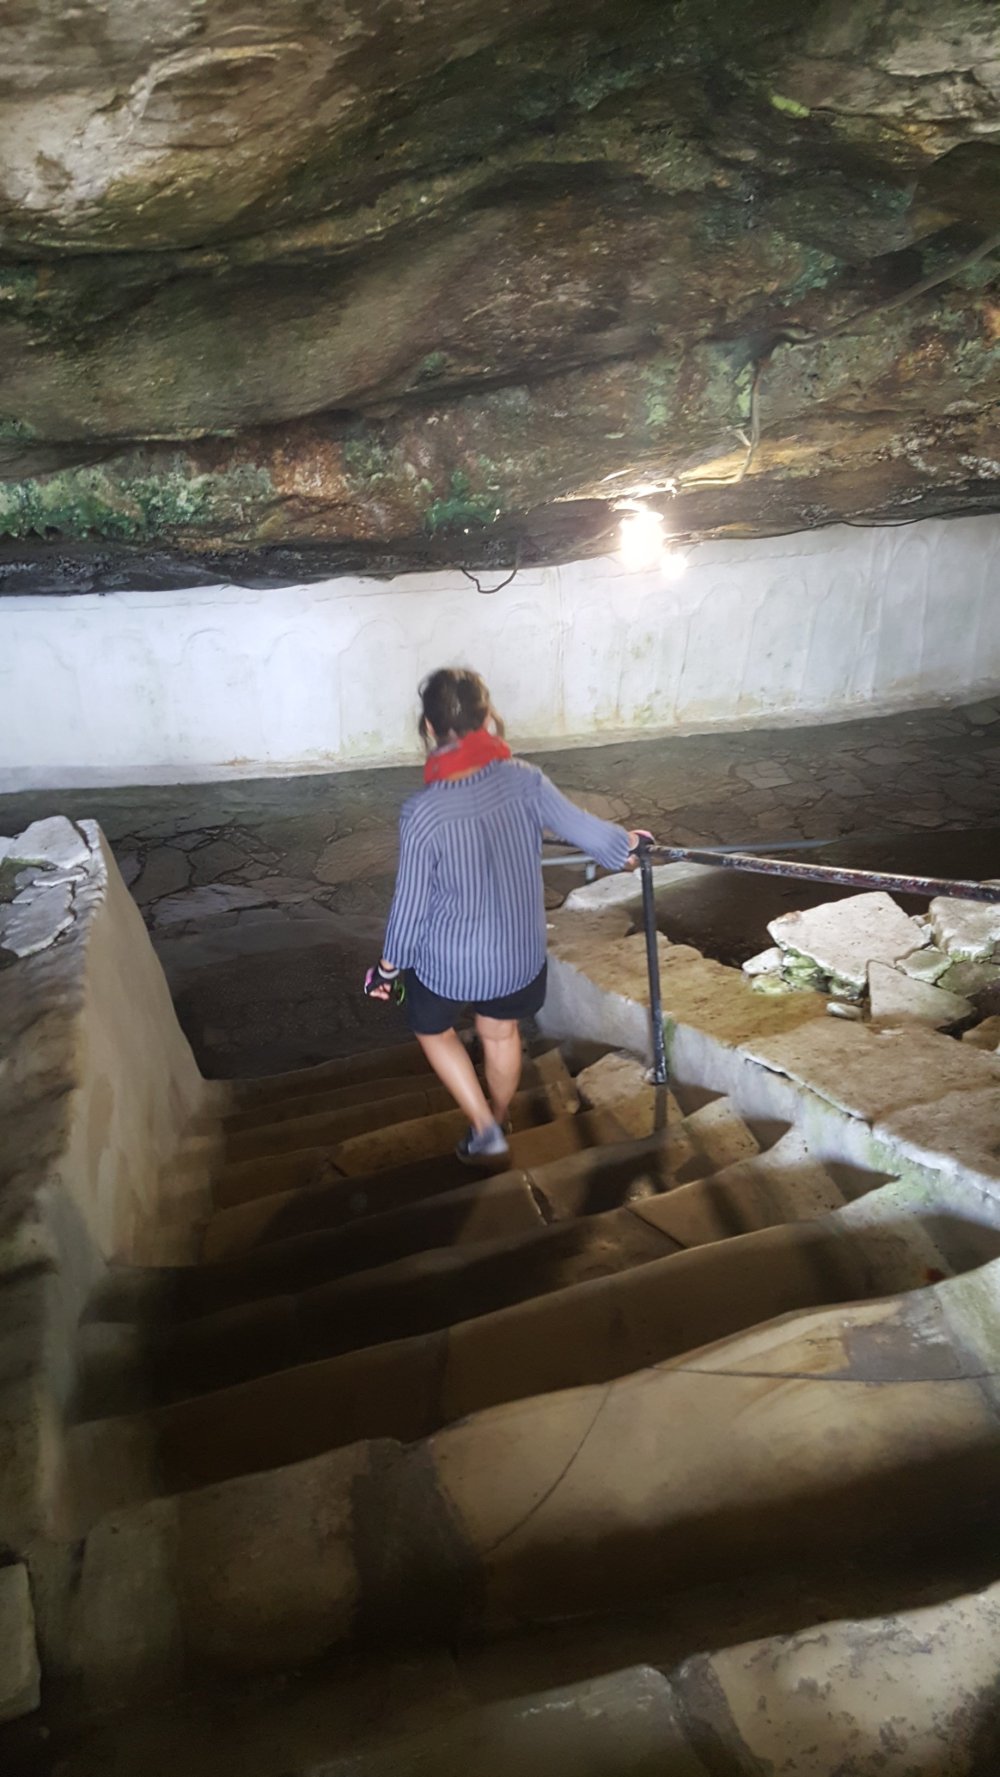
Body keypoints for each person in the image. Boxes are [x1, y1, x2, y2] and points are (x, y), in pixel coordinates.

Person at [365, 667, 647, 1163]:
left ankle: (483, 1128)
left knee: (431, 1028)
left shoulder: (423, 812)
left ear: (429, 728)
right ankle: (498, 1116)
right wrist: (626, 844)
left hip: (448, 963)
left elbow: (409, 905)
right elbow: (592, 834)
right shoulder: (525, 779)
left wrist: (387, 970)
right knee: (500, 1032)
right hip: (518, 955)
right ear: (487, 716)